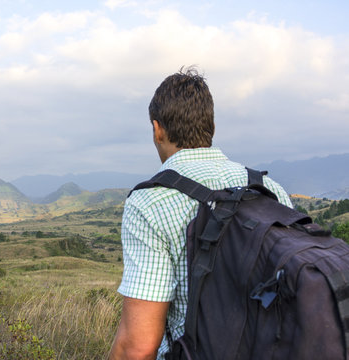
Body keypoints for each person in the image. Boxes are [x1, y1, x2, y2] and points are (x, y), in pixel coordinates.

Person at [108, 68, 292, 359]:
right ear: (211, 127)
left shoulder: (149, 202)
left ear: (157, 129)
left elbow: (138, 346)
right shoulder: (269, 189)